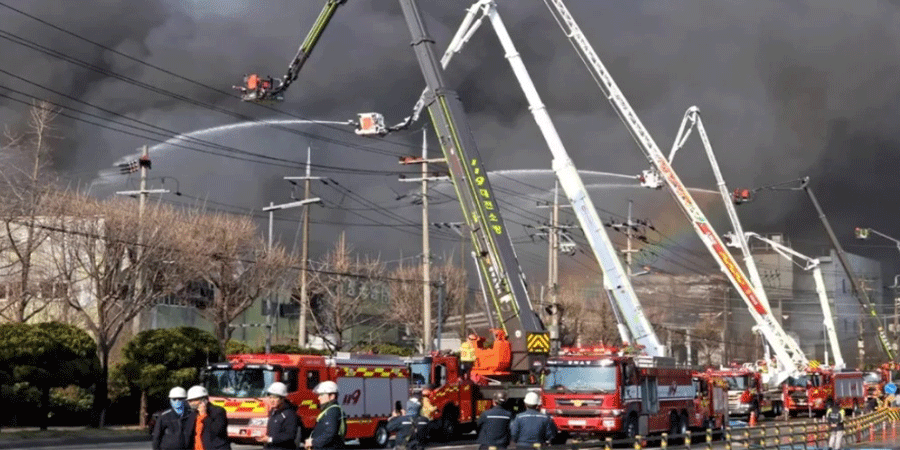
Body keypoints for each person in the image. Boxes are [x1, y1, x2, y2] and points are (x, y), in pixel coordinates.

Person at [186, 385, 231, 450]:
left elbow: (216, 431)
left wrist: (204, 415)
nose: (190, 403)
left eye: (193, 400)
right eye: (189, 401)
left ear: (203, 400)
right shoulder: (192, 414)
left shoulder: (218, 411)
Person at [304, 381, 346, 450]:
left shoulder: (332, 411)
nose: (319, 398)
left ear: (332, 396)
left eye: (321, 395)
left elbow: (329, 434)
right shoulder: (329, 410)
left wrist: (313, 442)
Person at [257, 382, 298, 450]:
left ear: (282, 399)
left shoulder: (290, 414)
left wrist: (270, 439)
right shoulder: (274, 412)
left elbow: (290, 436)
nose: (272, 400)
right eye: (270, 397)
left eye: (275, 398)